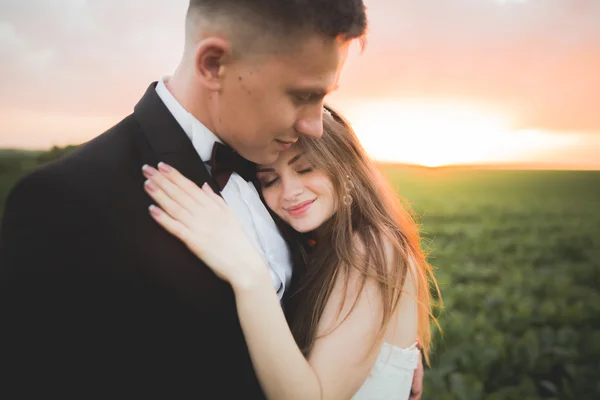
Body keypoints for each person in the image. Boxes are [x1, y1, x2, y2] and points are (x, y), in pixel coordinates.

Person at [0, 1, 370, 398]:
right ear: (213, 64)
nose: (315, 126)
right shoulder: (65, 202)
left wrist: (377, 359)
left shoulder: (274, 169)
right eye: (300, 96)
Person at [140, 106, 439, 399]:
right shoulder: (324, 248)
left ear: (345, 166)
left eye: (305, 169)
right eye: (270, 180)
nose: (289, 191)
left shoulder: (370, 251)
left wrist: (249, 275)